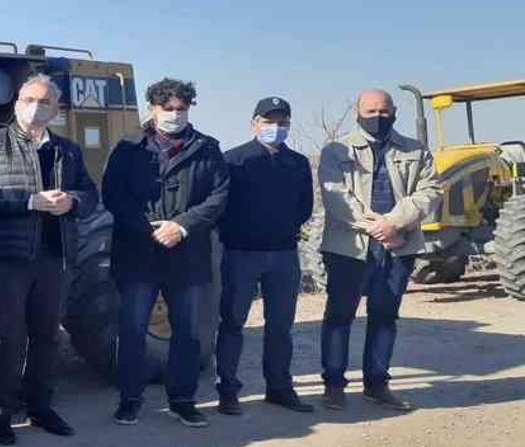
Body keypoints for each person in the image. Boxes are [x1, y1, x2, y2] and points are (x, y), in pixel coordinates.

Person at [0, 74, 99, 446]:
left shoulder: (67, 150)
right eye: (28, 99)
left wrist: (72, 201)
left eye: (44, 101)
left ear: (55, 109)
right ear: (17, 102)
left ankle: (40, 407)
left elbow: (90, 194)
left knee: (47, 338)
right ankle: (0, 415)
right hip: (9, 257)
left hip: (55, 258)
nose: (35, 106)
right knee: (4, 338)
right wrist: (29, 201)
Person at [103, 77, 228, 428]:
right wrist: (149, 228)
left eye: (181, 108)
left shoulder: (207, 149)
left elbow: (218, 197)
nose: (175, 114)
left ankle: (183, 399)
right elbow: (114, 195)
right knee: (132, 330)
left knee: (187, 332)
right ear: (153, 109)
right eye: (168, 108)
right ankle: (130, 399)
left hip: (187, 255)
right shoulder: (128, 148)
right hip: (138, 254)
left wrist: (182, 226)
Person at [318, 89, 441, 411]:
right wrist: (376, 228)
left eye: (384, 111)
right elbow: (336, 197)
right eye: (370, 111)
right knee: (339, 316)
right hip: (349, 247)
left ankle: (377, 383)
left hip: (398, 246)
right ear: (357, 112)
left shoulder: (416, 150)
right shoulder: (336, 150)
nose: (377, 117)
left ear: (394, 112)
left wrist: (395, 223)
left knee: (385, 317)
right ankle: (333, 385)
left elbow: (430, 191)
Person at [215, 97, 315, 416]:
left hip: (284, 256)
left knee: (280, 326)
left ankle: (279, 388)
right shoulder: (233, 161)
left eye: (282, 122)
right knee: (232, 324)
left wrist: (282, 229)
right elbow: (220, 207)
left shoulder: (297, 163)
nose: (275, 127)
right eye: (268, 121)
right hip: (241, 255)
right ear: (254, 124)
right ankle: (228, 392)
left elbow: (304, 207)